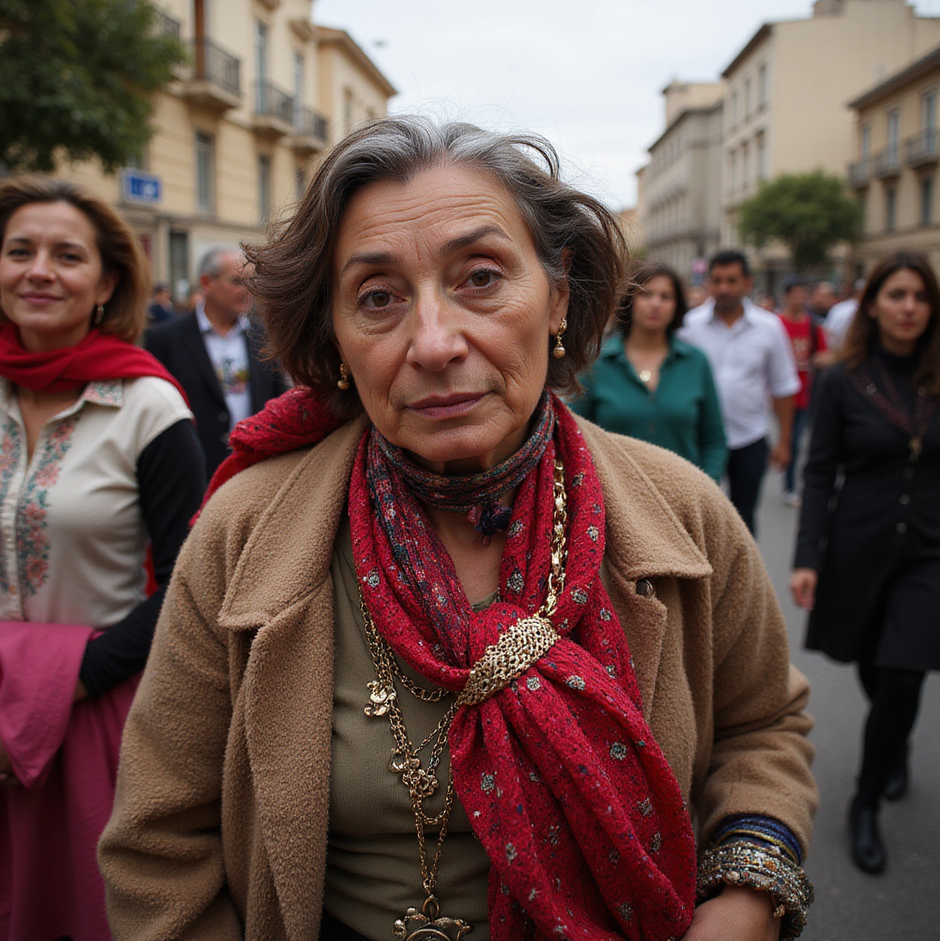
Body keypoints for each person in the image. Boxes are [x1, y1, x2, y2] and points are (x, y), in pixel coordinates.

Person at [99, 118, 816, 941]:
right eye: (378, 298)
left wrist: (748, 896)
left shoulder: (682, 511)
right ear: (335, 337)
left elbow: (764, 727)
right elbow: (158, 844)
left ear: (557, 295)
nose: (434, 343)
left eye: (480, 277)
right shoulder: (243, 531)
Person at [0, 176, 207, 940]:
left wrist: (55, 693)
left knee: (102, 915)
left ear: (106, 282)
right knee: (6, 915)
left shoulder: (151, 406)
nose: (39, 270)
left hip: (103, 705)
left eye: (66, 255)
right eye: (20, 251)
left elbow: (191, 583)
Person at [790, 251, 939, 877]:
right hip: (859, 545)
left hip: (931, 551)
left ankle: (866, 802)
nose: (908, 307)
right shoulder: (840, 380)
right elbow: (819, 471)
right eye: (896, 294)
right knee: (878, 667)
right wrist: (807, 557)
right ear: (872, 303)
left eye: (920, 297)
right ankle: (893, 736)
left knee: (904, 673)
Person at [679, 250, 800, 536]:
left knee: (744, 522)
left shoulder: (769, 327)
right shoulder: (688, 326)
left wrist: (784, 441)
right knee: (698, 520)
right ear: (708, 282)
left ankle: (742, 580)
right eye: (717, 280)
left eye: (732, 280)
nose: (724, 288)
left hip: (750, 439)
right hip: (700, 441)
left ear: (747, 283)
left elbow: (783, 387)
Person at [572, 262, 727, 481]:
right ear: (630, 301)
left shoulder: (696, 362)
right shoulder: (597, 362)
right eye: (646, 294)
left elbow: (713, 440)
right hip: (612, 498)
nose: (656, 304)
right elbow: (573, 434)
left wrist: (707, 489)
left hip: (683, 497)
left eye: (666, 297)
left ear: (677, 306)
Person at [144, 247, 288, 481]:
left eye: (251, 283)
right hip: (192, 473)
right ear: (206, 283)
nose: (246, 291)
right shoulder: (165, 339)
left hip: (255, 470)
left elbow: (279, 399)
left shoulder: (264, 337)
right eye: (236, 282)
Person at [777, 276, 827, 506]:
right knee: (785, 439)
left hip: (805, 394)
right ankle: (785, 474)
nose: (799, 298)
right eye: (795, 293)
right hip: (778, 396)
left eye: (802, 294)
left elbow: (825, 354)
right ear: (787, 296)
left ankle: (790, 484)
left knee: (797, 442)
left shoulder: (813, 326)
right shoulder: (776, 324)